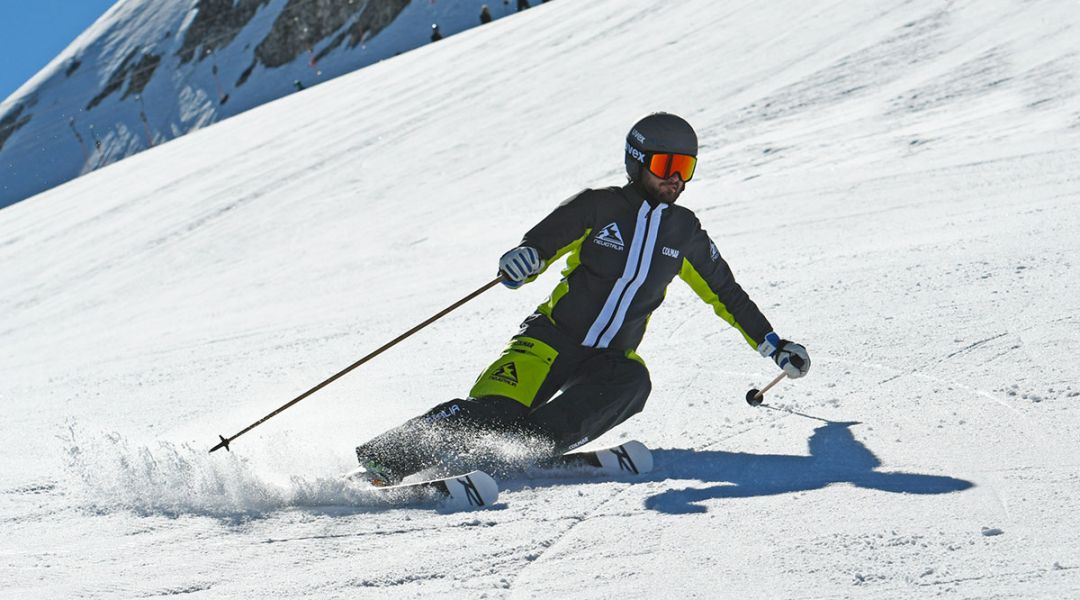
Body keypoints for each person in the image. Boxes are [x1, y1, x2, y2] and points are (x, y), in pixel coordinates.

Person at [353, 113, 810, 485]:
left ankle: (520, 449)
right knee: (493, 411)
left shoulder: (684, 231)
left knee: (633, 382)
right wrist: (522, 260)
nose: (674, 179)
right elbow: (541, 244)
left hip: (608, 359)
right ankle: (383, 461)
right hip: (548, 342)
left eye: (685, 169)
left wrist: (774, 345)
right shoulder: (599, 206)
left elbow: (726, 293)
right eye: (665, 166)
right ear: (637, 162)